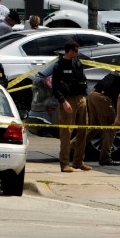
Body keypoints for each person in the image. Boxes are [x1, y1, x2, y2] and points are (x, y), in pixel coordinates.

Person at [51, 41, 93, 173]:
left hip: (80, 98)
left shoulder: (77, 62)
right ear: (69, 51)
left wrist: (85, 97)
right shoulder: (59, 66)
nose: (77, 53)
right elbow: (55, 87)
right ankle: (64, 163)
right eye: (75, 51)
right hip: (67, 100)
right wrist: (64, 101)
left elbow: (83, 79)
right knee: (66, 133)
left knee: (83, 130)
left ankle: (78, 161)